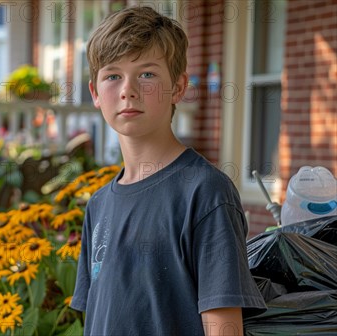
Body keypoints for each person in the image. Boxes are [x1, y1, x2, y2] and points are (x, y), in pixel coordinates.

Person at [70, 6, 266, 335]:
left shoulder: (204, 192)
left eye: (147, 74)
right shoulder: (99, 204)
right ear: (95, 93)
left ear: (177, 88)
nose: (127, 90)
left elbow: (223, 327)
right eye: (113, 75)